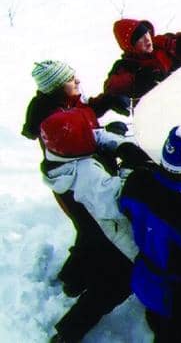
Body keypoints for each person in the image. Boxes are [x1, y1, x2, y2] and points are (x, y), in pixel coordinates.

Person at [22, 60, 127, 302]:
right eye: (70, 80)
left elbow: (85, 110)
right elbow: (79, 135)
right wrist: (107, 138)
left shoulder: (64, 101)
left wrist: (108, 100)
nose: (77, 81)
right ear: (56, 87)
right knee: (91, 231)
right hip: (68, 184)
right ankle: (74, 280)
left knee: (91, 231)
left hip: (78, 176)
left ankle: (74, 277)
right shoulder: (51, 117)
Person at [38, 108, 137, 343]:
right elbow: (119, 201)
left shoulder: (56, 155)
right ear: (75, 142)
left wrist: (118, 144)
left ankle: (72, 280)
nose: (91, 134)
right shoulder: (86, 176)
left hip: (90, 222)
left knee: (88, 247)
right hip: (110, 230)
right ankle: (68, 333)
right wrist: (130, 167)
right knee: (113, 285)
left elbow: (95, 137)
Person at [119, 124, 181, 341]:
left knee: (158, 319)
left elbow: (125, 206)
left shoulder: (137, 181)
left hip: (143, 275)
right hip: (174, 291)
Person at [103, 18, 181, 104]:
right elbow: (111, 88)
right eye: (140, 38)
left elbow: (178, 43)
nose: (147, 39)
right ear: (131, 46)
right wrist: (137, 79)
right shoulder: (126, 65)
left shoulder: (163, 44)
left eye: (146, 33)